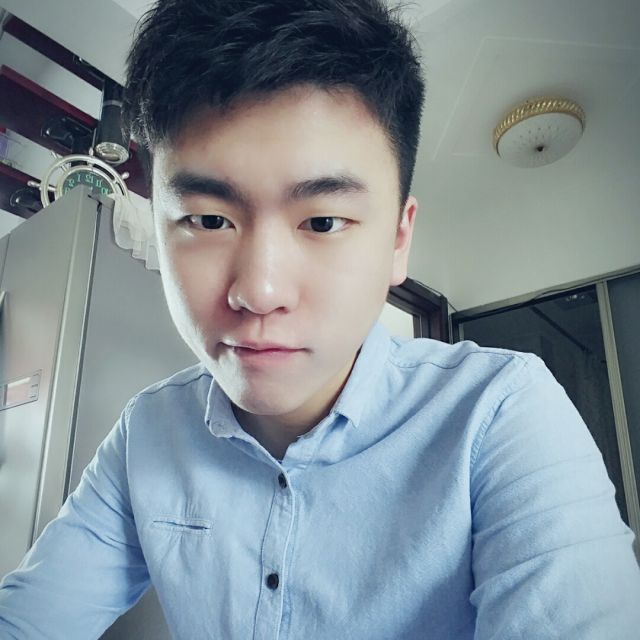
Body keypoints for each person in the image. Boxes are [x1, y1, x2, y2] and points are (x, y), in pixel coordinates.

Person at [1, 0, 640, 638]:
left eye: (324, 221)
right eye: (209, 220)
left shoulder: (500, 412)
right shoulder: (148, 433)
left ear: (397, 240)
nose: (260, 292)